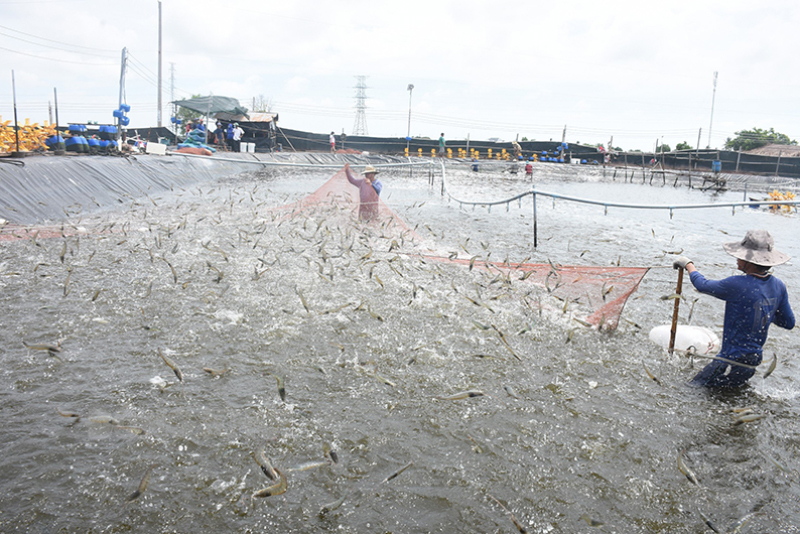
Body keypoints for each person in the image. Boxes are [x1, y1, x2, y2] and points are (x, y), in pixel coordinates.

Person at [673, 230, 794, 388]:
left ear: (749, 261)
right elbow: (788, 322)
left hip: (730, 361)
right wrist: (766, 310)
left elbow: (702, 285)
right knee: (726, 396)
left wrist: (688, 265)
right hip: (752, 362)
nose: (737, 258)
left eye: (741, 256)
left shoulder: (737, 284)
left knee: (690, 390)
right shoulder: (778, 286)